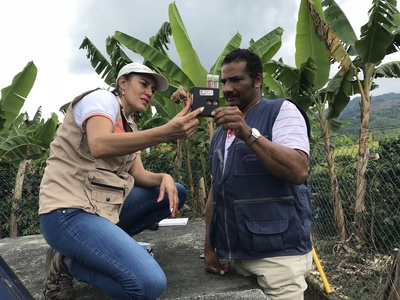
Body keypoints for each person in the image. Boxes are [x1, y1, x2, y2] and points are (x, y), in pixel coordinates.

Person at [39, 62, 204, 300]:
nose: (149, 92)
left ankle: (82, 251)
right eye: (144, 84)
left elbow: (138, 174)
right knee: (148, 284)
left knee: (174, 191)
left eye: (153, 90)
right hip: (67, 211)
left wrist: (164, 177)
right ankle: (66, 262)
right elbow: (99, 144)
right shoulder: (101, 100)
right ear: (123, 83)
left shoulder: (130, 124)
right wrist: (166, 132)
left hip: (99, 206)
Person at [203, 48, 313, 300]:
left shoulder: (282, 111)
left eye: (236, 79)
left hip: (278, 259)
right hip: (235, 258)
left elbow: (298, 169)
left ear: (258, 80)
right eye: (224, 82)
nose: (228, 88)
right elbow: (216, 190)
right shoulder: (221, 132)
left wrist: (248, 134)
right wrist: (210, 246)